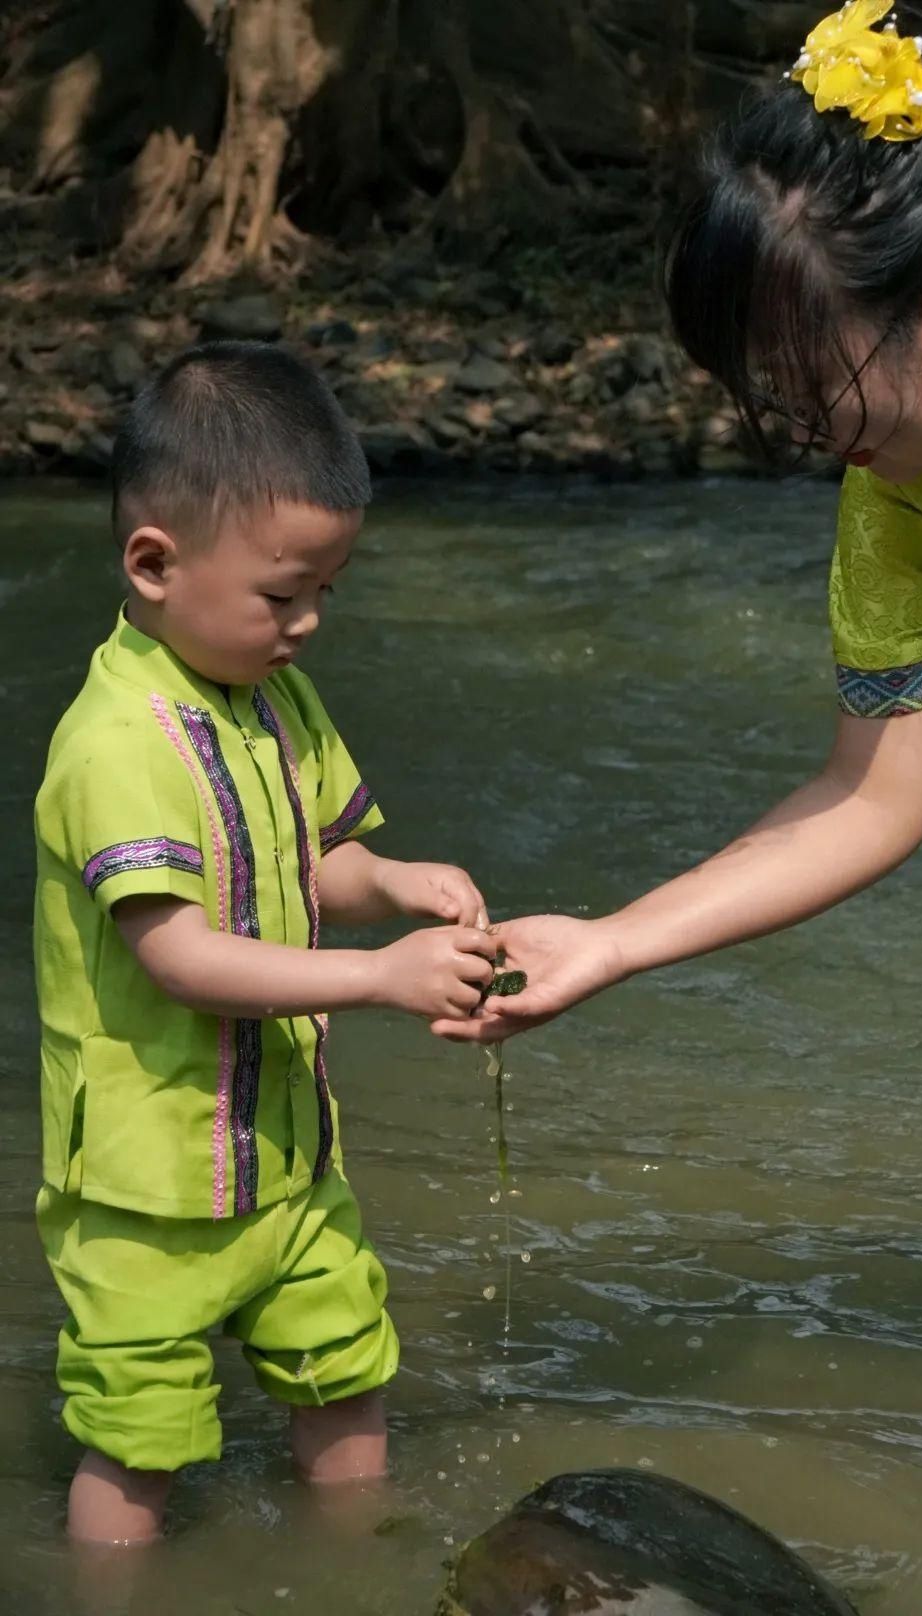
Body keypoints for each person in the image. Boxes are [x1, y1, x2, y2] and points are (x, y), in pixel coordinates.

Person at [436, 0, 922, 1045]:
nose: (806, 430)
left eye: (818, 383)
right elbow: (871, 795)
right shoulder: (909, 479)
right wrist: (616, 938)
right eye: (772, 389)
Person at [34, 341, 497, 1545]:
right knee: (137, 1438)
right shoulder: (114, 741)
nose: (306, 623)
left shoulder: (275, 697)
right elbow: (178, 954)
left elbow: (318, 862)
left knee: (350, 1367)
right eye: (281, 593)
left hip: (288, 1157)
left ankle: (357, 1567)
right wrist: (380, 977)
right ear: (154, 563)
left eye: (326, 594)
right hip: (146, 1185)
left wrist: (394, 882)